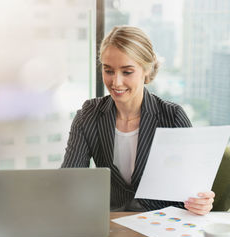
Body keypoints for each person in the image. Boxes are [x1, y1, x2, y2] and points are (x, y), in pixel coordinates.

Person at [61, 26, 214, 215]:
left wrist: (201, 202)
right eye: (109, 71)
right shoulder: (89, 115)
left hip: (161, 223)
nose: (116, 82)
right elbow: (69, 181)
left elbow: (191, 189)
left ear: (146, 71)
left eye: (127, 72)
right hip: (111, 222)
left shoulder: (172, 116)